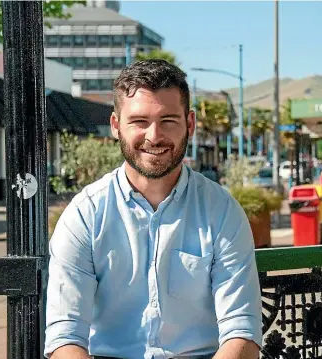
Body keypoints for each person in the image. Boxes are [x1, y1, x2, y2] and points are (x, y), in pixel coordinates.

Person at [45, 60, 262, 359]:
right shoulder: (85, 215)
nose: (154, 136)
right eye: (139, 121)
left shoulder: (222, 212)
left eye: (168, 120)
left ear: (190, 124)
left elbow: (242, 331)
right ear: (115, 126)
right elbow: (64, 336)